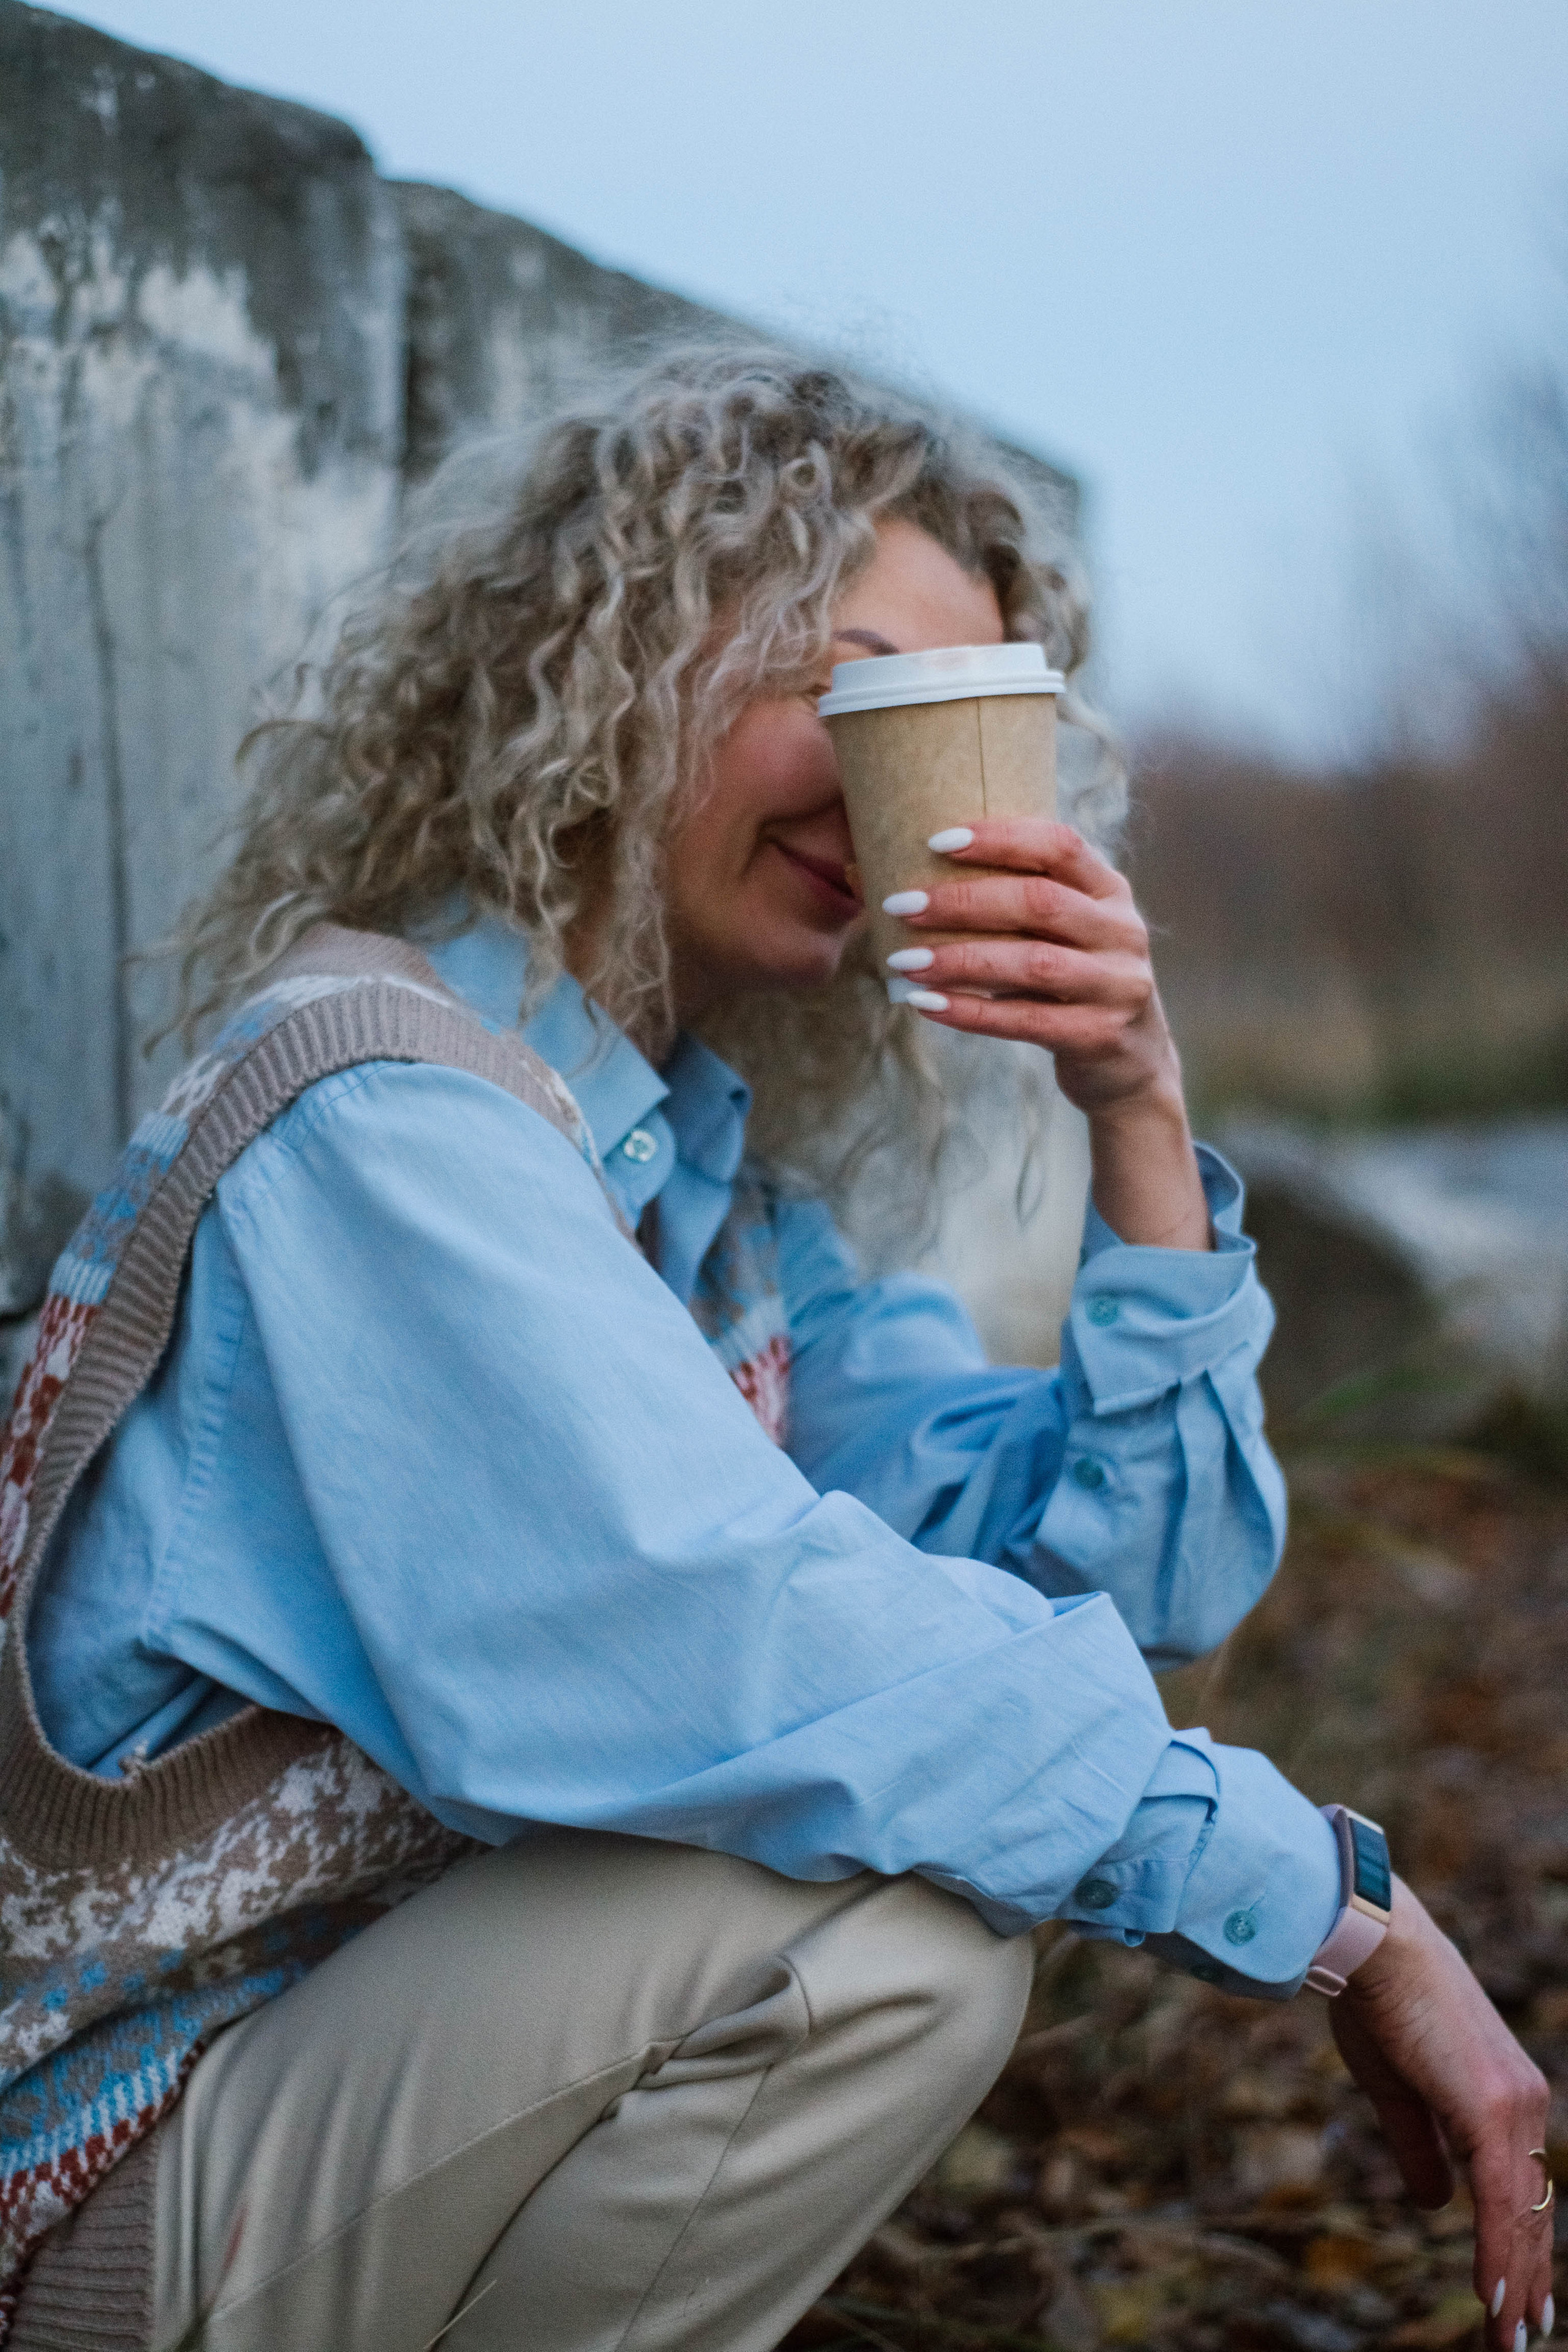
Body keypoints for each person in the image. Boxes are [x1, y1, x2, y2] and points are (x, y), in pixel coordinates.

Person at [2, 349, 1550, 2352]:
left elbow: (1099, 1589)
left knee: (938, 1831)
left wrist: (1137, 1117)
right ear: (612, 658)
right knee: (884, 1939)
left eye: (942, 719)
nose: (874, 766)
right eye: (827, 676)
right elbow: (737, 1634)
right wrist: (1335, 1905)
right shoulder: (378, 1119)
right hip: (117, 2186)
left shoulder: (710, 1190)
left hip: (371, 2123)